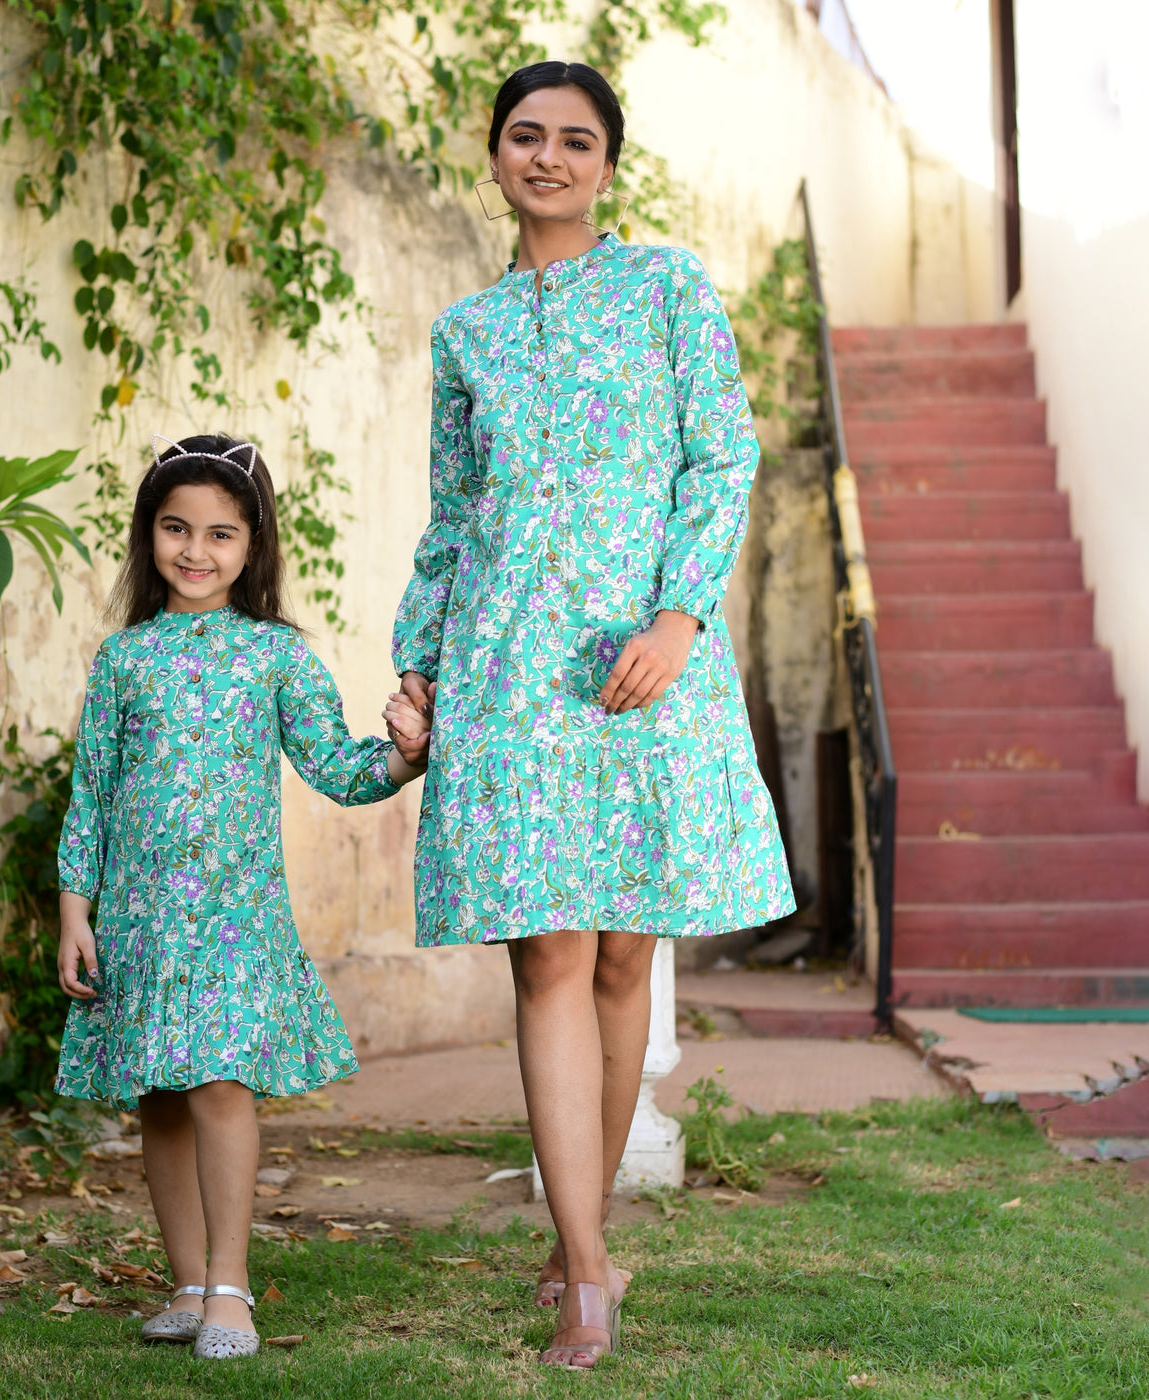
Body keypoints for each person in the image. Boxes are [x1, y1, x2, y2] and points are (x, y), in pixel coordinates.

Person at [392, 61, 793, 1369]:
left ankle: (582, 1235)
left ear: (609, 165)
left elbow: (720, 451)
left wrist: (681, 613)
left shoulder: (668, 287)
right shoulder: (467, 331)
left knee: (626, 956)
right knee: (548, 954)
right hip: (509, 667)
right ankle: (589, 1272)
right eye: (526, 137)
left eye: (575, 141)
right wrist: (420, 664)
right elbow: (453, 515)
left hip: (643, 663)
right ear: (496, 156)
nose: (549, 158)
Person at [54, 434, 430, 1362]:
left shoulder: (275, 658)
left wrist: (402, 755)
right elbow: (93, 788)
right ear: (148, 535)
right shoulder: (123, 661)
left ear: (253, 547)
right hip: (140, 919)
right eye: (176, 528)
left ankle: (231, 1285)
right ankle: (185, 1282)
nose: (196, 551)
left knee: (221, 1084)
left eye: (221, 535)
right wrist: (75, 908)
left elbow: (339, 772)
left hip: (233, 916)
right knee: (162, 1098)